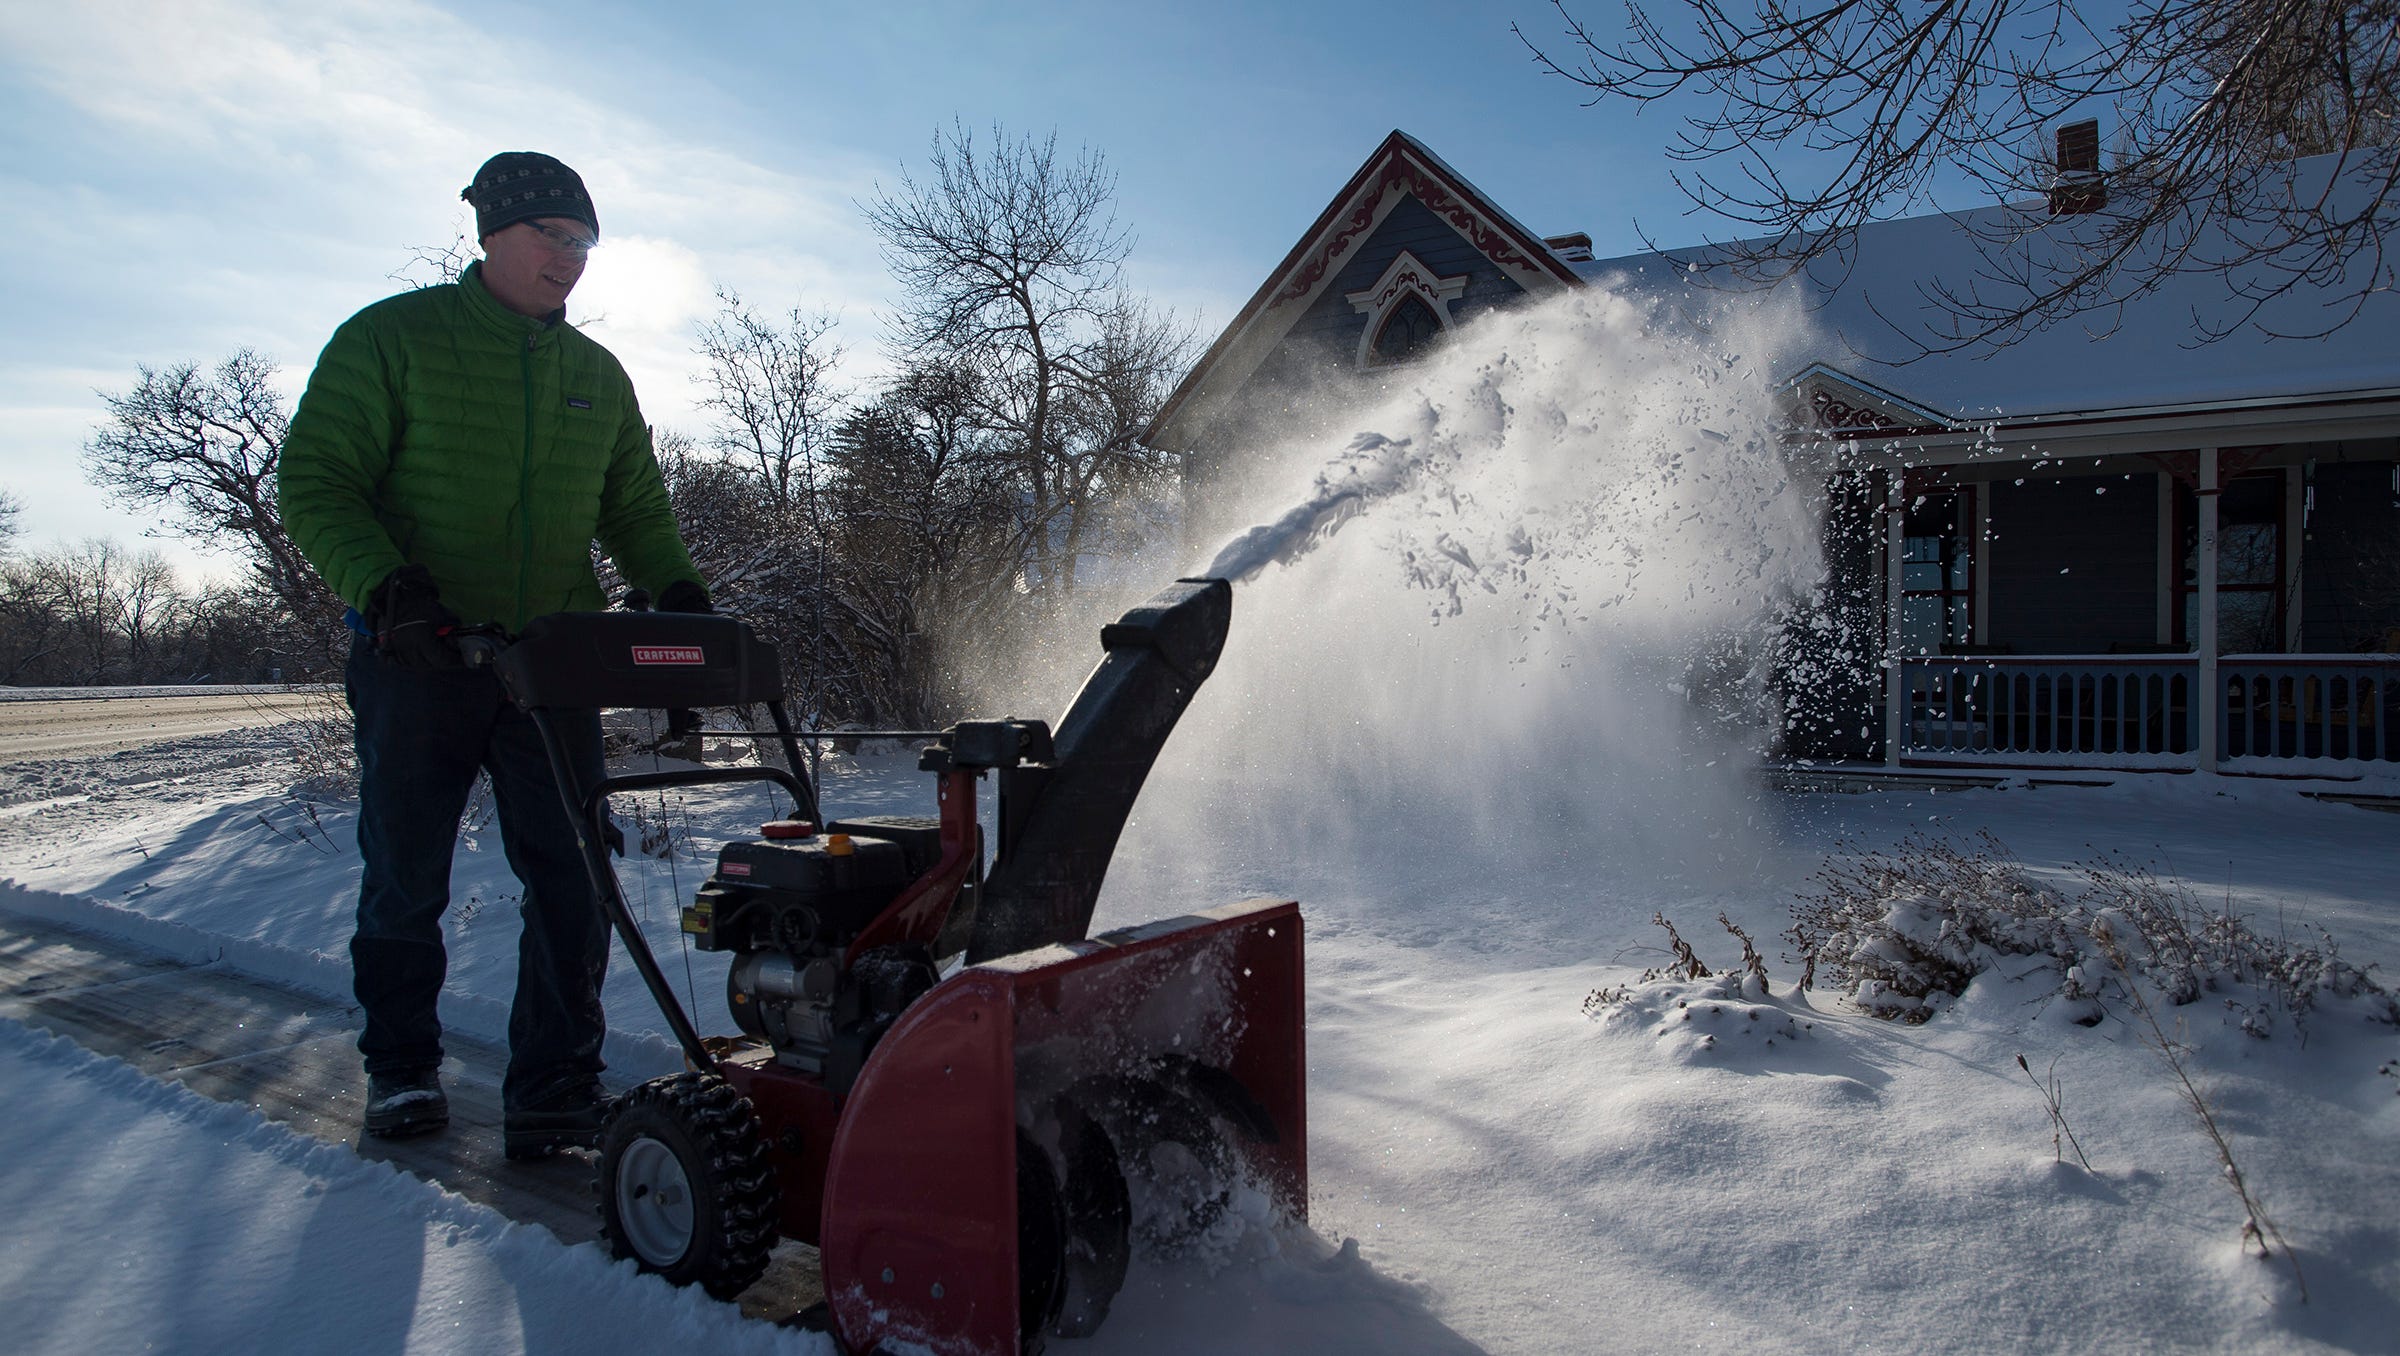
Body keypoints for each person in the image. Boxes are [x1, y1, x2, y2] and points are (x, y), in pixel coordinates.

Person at [278, 152, 712, 1159]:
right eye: (552, 236)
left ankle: (555, 1087)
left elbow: (637, 512)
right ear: (492, 234)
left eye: (584, 242)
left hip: (550, 666)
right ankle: (400, 1070)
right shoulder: (393, 338)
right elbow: (319, 479)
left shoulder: (594, 377)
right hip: (418, 656)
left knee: (572, 875)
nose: (571, 259)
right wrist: (387, 589)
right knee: (406, 873)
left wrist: (681, 597)